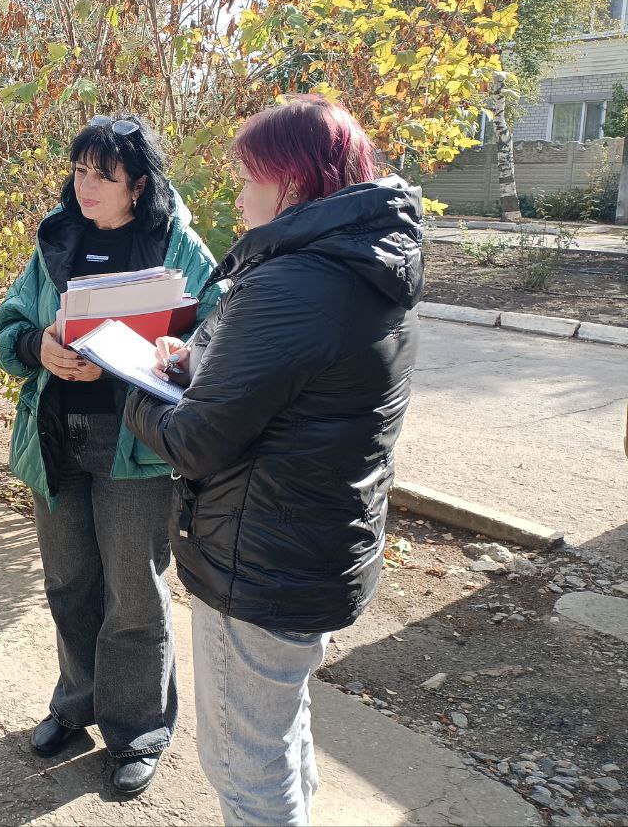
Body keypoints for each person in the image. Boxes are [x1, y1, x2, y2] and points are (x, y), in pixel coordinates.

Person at [125, 94, 424, 825]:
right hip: (314, 546)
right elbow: (291, 391)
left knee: (244, 763)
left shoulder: (295, 282)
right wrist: (196, 363)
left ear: (292, 180)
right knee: (280, 734)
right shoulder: (359, 263)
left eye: (248, 176)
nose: (236, 194)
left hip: (259, 561)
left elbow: (194, 440)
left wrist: (130, 387)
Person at [0, 114, 223, 797]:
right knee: (69, 585)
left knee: (134, 596)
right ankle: (76, 706)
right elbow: (9, 328)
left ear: (138, 184)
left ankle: (137, 731)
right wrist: (41, 350)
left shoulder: (174, 245)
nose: (85, 185)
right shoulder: (58, 240)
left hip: (137, 450)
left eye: (103, 174)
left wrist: (179, 357)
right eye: (79, 170)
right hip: (58, 441)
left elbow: (219, 327)